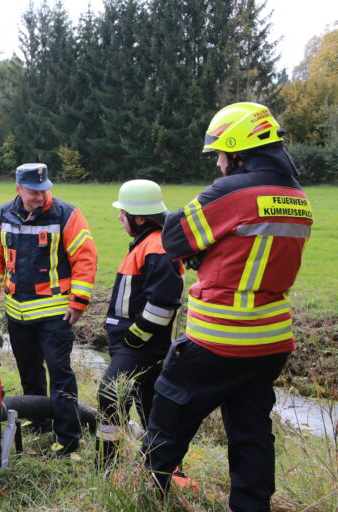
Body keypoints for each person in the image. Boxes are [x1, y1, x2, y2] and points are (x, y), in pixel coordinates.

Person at [142, 102, 313, 511]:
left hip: (218, 337)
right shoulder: (297, 197)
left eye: (219, 152)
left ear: (237, 150)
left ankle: (145, 492)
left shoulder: (231, 191)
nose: (217, 163)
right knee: (251, 431)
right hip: (270, 342)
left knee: (169, 409)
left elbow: (175, 238)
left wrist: (202, 248)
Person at [0, 163, 98, 456]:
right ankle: (40, 421)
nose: (41, 197)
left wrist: (79, 301)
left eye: (45, 190)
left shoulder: (67, 215)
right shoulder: (2, 214)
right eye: (34, 192)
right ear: (18, 189)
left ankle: (69, 438)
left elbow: (85, 258)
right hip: (18, 313)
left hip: (55, 313)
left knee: (60, 373)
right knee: (29, 370)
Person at [96, 180, 184, 471]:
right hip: (140, 346)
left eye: (123, 213)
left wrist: (135, 337)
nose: (120, 218)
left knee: (111, 393)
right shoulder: (150, 243)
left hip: (141, 346)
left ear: (139, 218)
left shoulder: (157, 246)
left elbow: (163, 302)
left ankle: (107, 466)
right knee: (149, 406)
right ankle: (156, 468)